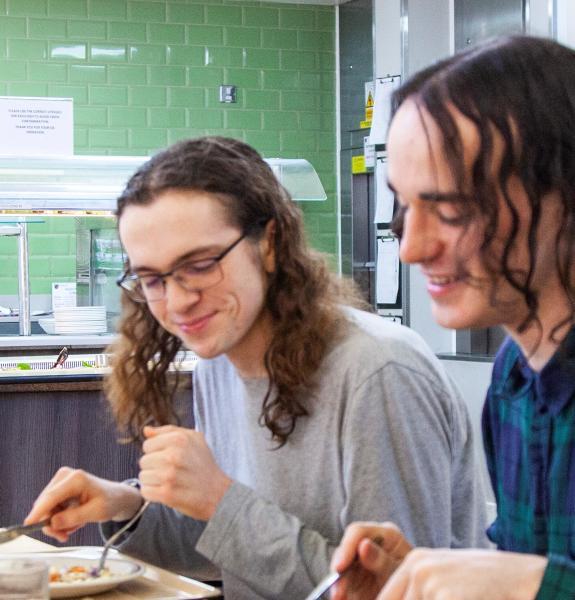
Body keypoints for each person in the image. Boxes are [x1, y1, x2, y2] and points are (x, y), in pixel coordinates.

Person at [25, 136, 486, 599]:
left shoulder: (377, 371)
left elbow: (394, 590)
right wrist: (125, 504)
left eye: (201, 264)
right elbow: (226, 544)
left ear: (270, 242)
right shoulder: (218, 364)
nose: (179, 300)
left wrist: (219, 500)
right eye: (152, 279)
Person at [330, 35, 575, 600]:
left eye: (451, 210)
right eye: (405, 206)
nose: (411, 248)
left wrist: (532, 584)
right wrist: (424, 574)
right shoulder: (516, 377)